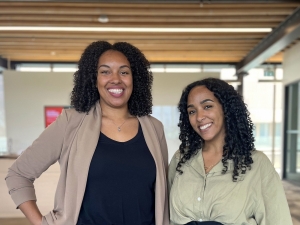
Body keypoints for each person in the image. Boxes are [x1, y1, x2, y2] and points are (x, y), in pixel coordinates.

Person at [5, 41, 169, 225]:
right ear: (93, 78)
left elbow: (162, 192)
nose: (116, 79)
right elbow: (18, 175)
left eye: (124, 72)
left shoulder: (154, 128)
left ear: (135, 78)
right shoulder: (71, 122)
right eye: (105, 71)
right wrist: (41, 223)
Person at [168, 78, 292, 225]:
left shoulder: (257, 164)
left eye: (207, 106)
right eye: (192, 111)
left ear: (226, 109)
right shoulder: (181, 159)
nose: (199, 117)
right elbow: (165, 214)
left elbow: (278, 220)